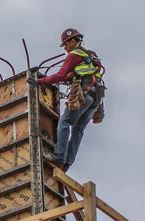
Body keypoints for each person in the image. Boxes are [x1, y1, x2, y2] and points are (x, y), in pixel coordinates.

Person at [35, 28, 104, 172]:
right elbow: (71, 75)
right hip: (96, 98)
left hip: (85, 94)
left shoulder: (74, 54)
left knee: (65, 122)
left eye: (65, 45)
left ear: (72, 41)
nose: (65, 49)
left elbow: (61, 74)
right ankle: (67, 163)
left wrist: (40, 81)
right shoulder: (89, 55)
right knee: (78, 129)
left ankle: (59, 158)